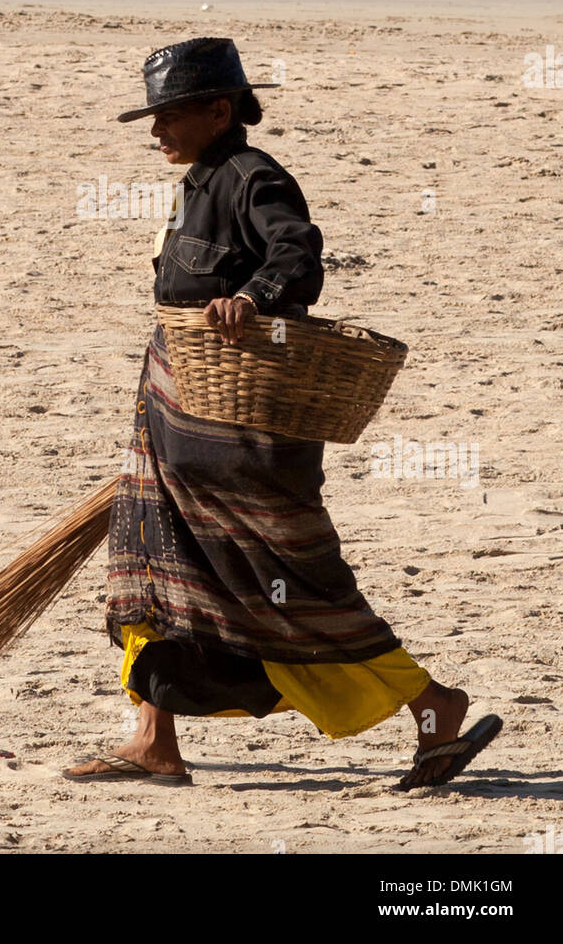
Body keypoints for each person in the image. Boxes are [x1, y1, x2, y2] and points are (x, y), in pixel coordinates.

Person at [64, 38, 501, 791]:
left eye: (168, 115)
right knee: (152, 572)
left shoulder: (251, 177)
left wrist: (252, 300)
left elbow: (298, 256)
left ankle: (434, 703)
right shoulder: (198, 180)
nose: (155, 131)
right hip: (176, 418)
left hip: (241, 438)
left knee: (292, 580)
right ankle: (153, 741)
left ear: (219, 110)